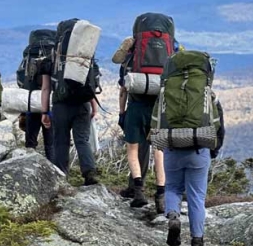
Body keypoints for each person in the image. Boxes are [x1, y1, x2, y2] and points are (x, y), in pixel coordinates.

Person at [164, 99, 225, 246]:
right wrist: (213, 151)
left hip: (172, 148)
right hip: (199, 150)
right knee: (196, 197)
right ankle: (197, 243)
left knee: (172, 188)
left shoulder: (168, 91)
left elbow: (157, 122)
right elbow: (219, 128)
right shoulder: (208, 96)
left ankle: (174, 217)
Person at [40, 21, 99, 185]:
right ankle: (89, 173)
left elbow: (46, 89)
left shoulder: (50, 59)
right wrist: (93, 106)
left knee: (61, 141)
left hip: (60, 106)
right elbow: (91, 84)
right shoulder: (85, 56)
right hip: (82, 104)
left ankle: (61, 177)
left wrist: (45, 112)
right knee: (82, 140)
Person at [113, 37, 166, 212]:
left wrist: (122, 113)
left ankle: (138, 192)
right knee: (159, 150)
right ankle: (160, 195)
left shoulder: (130, 61)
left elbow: (123, 91)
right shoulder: (165, 58)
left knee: (133, 151)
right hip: (157, 111)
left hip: (135, 109)